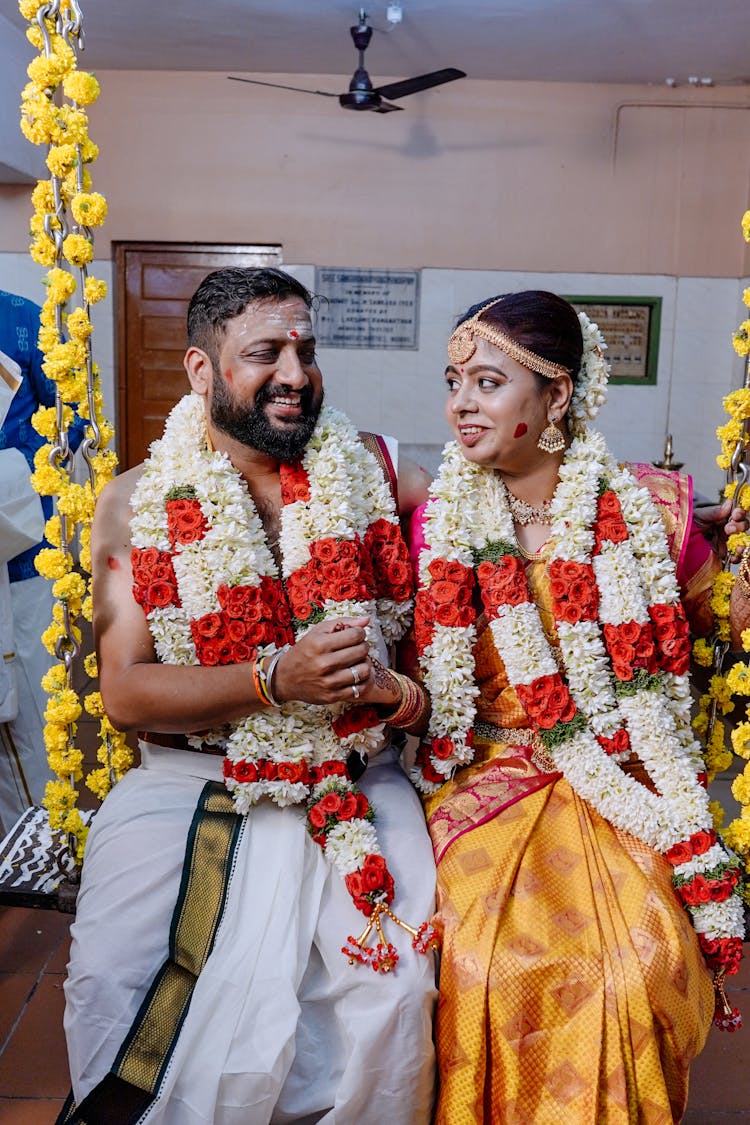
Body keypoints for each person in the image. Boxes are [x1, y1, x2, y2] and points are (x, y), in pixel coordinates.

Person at [61, 267, 437, 1124]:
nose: (296, 373)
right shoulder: (132, 504)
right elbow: (125, 691)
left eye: (305, 349)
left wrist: (668, 519)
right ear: (202, 371)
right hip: (187, 778)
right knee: (116, 974)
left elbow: (501, 513)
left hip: (353, 772)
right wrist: (272, 681)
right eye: (265, 352)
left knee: (395, 976)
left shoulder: (374, 470)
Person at [409, 290, 747, 1124]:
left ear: (556, 397)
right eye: (455, 380)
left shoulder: (651, 513)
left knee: (638, 957)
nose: (460, 402)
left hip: (624, 772)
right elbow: (423, 682)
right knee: (482, 961)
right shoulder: (437, 523)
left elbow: (717, 631)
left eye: (488, 382)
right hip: (486, 772)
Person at [0, 288, 84, 835]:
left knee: (29, 719)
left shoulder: (20, 318)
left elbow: (70, 419)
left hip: (22, 564)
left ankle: (31, 848)